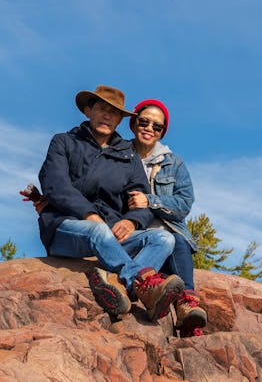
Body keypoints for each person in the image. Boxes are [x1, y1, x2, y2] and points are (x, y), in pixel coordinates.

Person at [35, 85, 185, 321]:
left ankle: (115, 283)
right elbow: (55, 185)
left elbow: (142, 201)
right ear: (88, 111)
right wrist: (88, 214)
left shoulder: (128, 155)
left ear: (119, 120)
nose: (107, 115)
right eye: (102, 109)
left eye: (114, 112)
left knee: (164, 238)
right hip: (65, 228)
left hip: (110, 234)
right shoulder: (64, 142)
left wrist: (133, 222)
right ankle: (142, 283)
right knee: (97, 229)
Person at [127, 99, 207, 337]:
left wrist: (150, 201)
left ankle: (186, 307)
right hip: (135, 232)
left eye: (157, 126)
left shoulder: (174, 163)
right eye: (144, 121)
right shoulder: (119, 155)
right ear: (133, 123)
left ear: (162, 132)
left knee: (177, 240)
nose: (149, 128)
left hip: (168, 231)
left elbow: (184, 204)